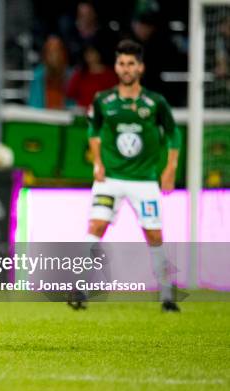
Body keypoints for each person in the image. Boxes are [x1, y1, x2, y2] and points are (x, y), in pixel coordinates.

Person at [83, 39, 181, 312]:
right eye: (122, 63)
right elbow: (93, 132)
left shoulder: (155, 102)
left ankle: (166, 295)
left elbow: (174, 133)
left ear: (141, 67)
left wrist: (170, 168)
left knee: (154, 233)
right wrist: (98, 163)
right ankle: (80, 287)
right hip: (110, 178)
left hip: (144, 180)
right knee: (96, 227)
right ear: (116, 66)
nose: (126, 69)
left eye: (131, 64)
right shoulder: (104, 100)